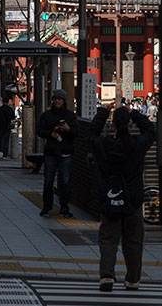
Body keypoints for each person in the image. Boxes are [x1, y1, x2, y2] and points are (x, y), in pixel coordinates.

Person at [88, 102, 155, 292]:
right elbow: (151, 130)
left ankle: (107, 275)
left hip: (109, 198)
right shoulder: (138, 144)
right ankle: (133, 279)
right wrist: (134, 112)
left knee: (109, 238)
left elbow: (91, 134)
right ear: (130, 125)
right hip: (133, 199)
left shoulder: (103, 145)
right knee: (133, 240)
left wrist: (103, 111)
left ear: (112, 125)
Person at [36, 89, 78, 217]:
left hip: (66, 152)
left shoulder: (70, 116)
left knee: (65, 181)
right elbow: (39, 131)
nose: (57, 101)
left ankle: (64, 208)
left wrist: (67, 129)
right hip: (51, 152)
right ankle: (47, 207)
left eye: (60, 99)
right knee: (48, 181)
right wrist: (51, 133)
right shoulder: (46, 115)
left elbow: (76, 133)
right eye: (55, 99)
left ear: (64, 101)